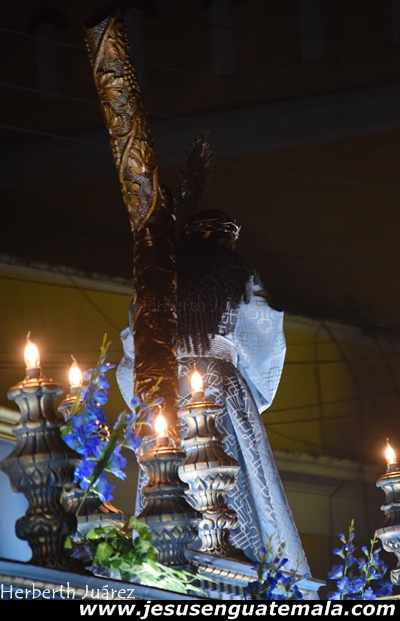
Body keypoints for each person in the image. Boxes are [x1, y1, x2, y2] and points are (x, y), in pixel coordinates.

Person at [117, 209, 310, 576]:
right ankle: (240, 554)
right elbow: (263, 335)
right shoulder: (238, 275)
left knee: (167, 469)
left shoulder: (160, 279)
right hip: (220, 384)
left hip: (169, 388)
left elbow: (136, 345)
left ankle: (168, 559)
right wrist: (241, 375)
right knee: (230, 466)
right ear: (225, 240)